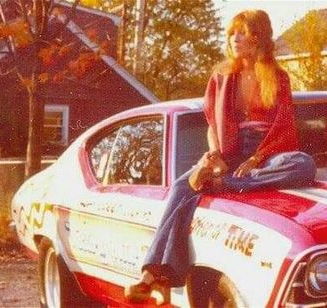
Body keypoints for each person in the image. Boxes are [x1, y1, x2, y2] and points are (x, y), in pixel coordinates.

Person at [124, 9, 316, 303]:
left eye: (242, 32)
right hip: (231, 150)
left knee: (303, 163)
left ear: (258, 37)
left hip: (266, 154)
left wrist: (255, 160)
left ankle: (224, 184)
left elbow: (284, 126)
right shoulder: (221, 76)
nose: (234, 38)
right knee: (180, 187)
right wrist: (214, 155)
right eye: (232, 33)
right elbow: (213, 125)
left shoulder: (279, 77)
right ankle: (150, 275)